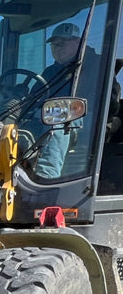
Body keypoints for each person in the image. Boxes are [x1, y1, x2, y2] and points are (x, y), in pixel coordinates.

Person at [34, 22, 101, 178]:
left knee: (58, 119)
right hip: (51, 116)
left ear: (78, 42)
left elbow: (110, 102)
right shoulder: (50, 72)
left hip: (89, 118)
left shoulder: (98, 64)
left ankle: (46, 178)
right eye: (53, 45)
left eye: (61, 43)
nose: (57, 48)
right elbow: (35, 100)